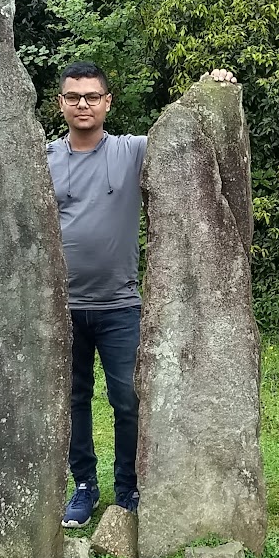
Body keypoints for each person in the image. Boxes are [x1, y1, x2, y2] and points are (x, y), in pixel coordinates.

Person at [47, 60, 238, 527]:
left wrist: (212, 90)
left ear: (108, 102)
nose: (83, 104)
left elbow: (191, 139)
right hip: (60, 307)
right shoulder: (45, 159)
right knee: (70, 399)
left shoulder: (133, 151)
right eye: (74, 97)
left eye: (92, 96)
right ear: (61, 104)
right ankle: (85, 486)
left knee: (128, 398)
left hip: (120, 305)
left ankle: (128, 485)